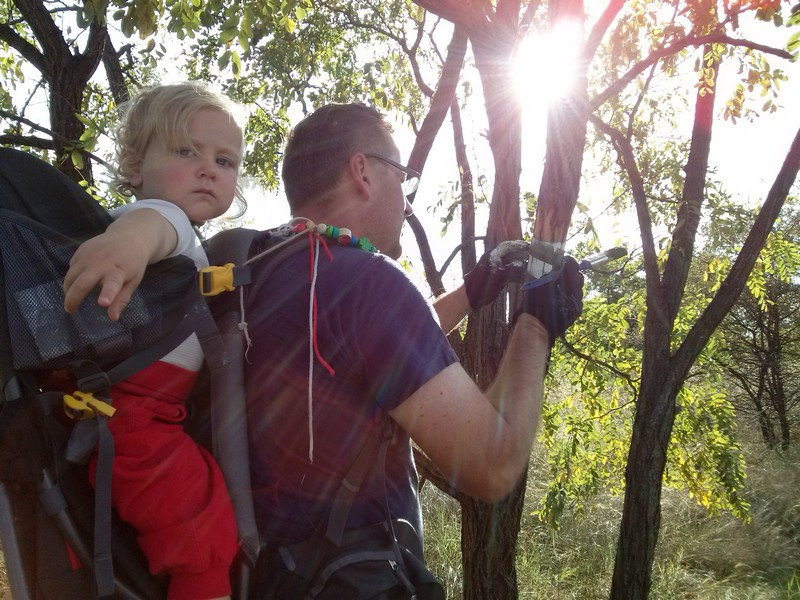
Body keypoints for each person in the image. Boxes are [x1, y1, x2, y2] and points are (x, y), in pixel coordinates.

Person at [241, 103, 584, 592]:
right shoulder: (369, 282)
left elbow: (364, 350)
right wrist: (537, 323)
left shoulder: (264, 273)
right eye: (402, 177)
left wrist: (471, 292)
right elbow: (493, 465)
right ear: (362, 171)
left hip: (269, 578)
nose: (406, 202)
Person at [61, 82, 244, 600]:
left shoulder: (184, 235)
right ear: (136, 167)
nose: (209, 167)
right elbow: (147, 228)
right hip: (134, 422)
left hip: (138, 417)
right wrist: (124, 249)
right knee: (204, 537)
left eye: (225, 160)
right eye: (186, 151)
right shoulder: (166, 220)